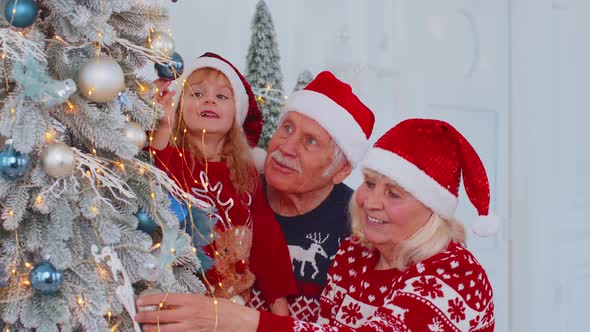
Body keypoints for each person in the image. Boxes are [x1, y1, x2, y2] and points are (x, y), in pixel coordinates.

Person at [136, 118, 499, 331]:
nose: (371, 201)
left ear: (432, 209)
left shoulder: (455, 277)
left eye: (395, 194)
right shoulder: (356, 253)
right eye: (370, 183)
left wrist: (239, 321)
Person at [149, 52, 295, 315]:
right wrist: (162, 123)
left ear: (235, 113)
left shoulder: (247, 175)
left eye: (221, 96)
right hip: (179, 297)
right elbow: (155, 162)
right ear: (181, 108)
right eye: (197, 93)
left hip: (233, 304)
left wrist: (278, 299)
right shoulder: (175, 158)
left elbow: (265, 237)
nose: (208, 100)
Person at [247, 71, 376, 321]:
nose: (286, 147)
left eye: (311, 141)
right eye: (287, 128)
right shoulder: (239, 194)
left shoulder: (361, 228)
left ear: (341, 170)